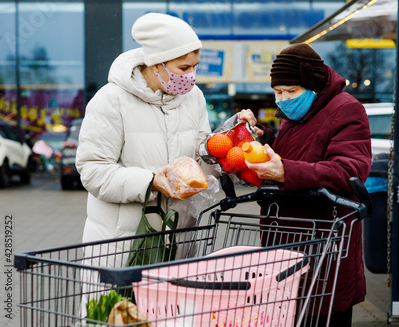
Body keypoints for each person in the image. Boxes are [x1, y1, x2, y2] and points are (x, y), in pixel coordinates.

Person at [243, 43, 372, 326]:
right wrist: (261, 139)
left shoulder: (346, 109)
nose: (283, 99)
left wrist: (285, 171)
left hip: (325, 246)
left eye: (292, 91)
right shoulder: (297, 115)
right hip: (288, 245)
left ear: (314, 85)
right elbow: (296, 154)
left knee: (320, 315)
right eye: (278, 92)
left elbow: (349, 171)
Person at [76, 12, 216, 257]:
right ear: (156, 64)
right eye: (184, 68)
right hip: (122, 247)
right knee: (121, 298)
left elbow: (202, 157)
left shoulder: (194, 98)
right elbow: (93, 170)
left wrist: (228, 146)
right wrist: (150, 181)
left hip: (178, 245)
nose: (191, 76)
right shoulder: (111, 100)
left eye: (195, 67)